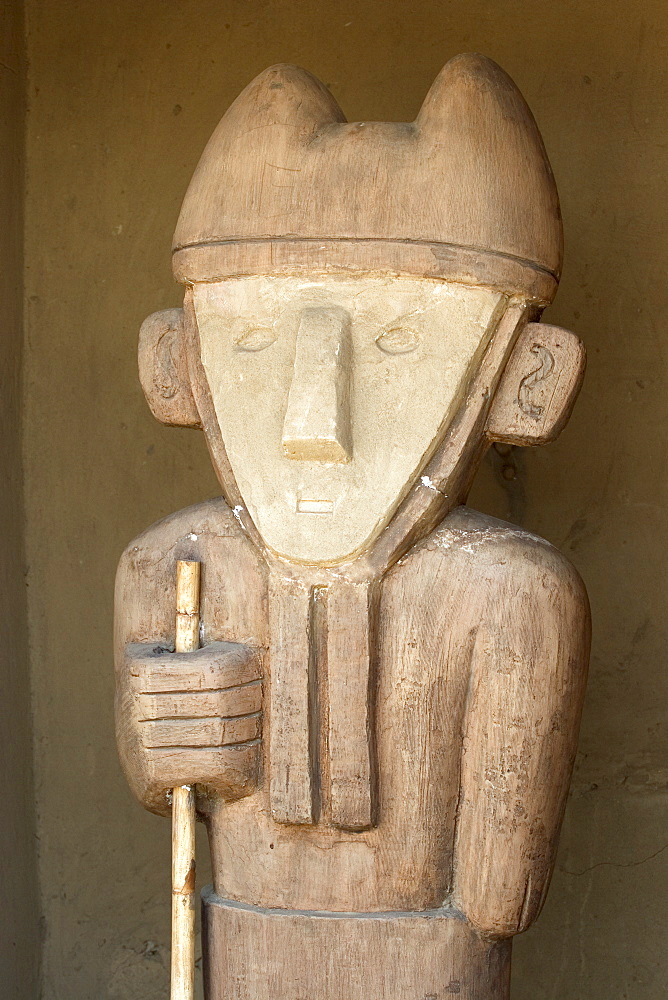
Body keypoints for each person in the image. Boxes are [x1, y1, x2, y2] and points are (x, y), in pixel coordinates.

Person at [115, 55, 590, 1000]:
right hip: (231, 957)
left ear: (527, 378)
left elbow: (500, 895)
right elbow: (159, 792)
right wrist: (161, 744)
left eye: (396, 341)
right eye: (256, 342)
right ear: (177, 363)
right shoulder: (168, 569)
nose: (312, 424)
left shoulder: (513, 598)